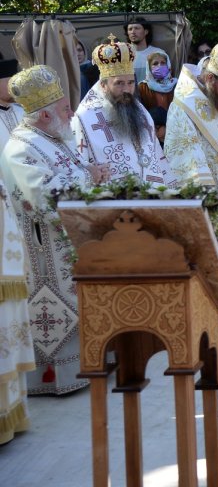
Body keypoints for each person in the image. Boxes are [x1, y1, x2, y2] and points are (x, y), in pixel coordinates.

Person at [1, 66, 106, 395]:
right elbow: (48, 200)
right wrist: (89, 177)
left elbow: (69, 172)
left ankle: (86, 366)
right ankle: (56, 378)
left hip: (69, 240)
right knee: (55, 308)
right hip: (45, 247)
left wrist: (86, 170)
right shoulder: (21, 148)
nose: (71, 112)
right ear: (44, 115)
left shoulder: (51, 138)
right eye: (64, 108)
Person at [72, 38, 177, 187]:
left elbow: (154, 152)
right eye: (119, 83)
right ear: (103, 85)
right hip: (112, 199)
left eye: (130, 83)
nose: (127, 90)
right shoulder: (84, 117)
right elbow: (81, 164)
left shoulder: (140, 111)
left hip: (150, 195)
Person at [0, 58, 32, 443]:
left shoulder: (21, 112)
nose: (13, 86)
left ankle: (14, 411)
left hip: (17, 218)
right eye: (8, 80)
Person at [163, 41, 218, 187]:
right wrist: (207, 190)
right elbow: (188, 155)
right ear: (209, 78)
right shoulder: (184, 105)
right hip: (208, 188)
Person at [137, 50, 176, 144]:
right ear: (149, 68)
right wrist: (158, 128)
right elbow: (141, 114)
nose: (160, 66)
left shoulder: (177, 85)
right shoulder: (142, 87)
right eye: (155, 63)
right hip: (154, 135)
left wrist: (168, 128)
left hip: (176, 131)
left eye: (163, 63)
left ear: (168, 66)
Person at [125, 16, 167, 85]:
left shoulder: (158, 53)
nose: (133, 32)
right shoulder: (122, 56)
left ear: (146, 31)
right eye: (130, 29)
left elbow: (166, 78)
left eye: (137, 28)